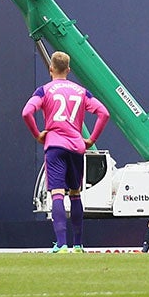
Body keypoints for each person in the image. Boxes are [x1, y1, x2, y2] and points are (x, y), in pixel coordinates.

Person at [22, 49, 109, 253]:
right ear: (68, 69)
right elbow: (103, 113)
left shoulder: (44, 91)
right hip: (76, 147)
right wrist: (91, 140)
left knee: (58, 194)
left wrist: (37, 134)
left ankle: (61, 244)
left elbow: (26, 112)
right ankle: (78, 244)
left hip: (55, 145)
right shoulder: (81, 91)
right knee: (76, 193)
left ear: (51, 68)